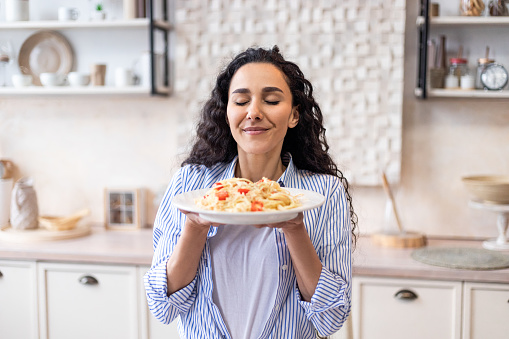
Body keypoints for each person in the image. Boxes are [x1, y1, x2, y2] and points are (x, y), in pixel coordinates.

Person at [144, 45, 357, 339]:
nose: (253, 112)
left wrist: (295, 228)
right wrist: (194, 226)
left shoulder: (323, 192)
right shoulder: (189, 184)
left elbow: (330, 318)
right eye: (241, 101)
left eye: (271, 100)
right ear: (227, 113)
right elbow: (162, 306)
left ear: (294, 115)